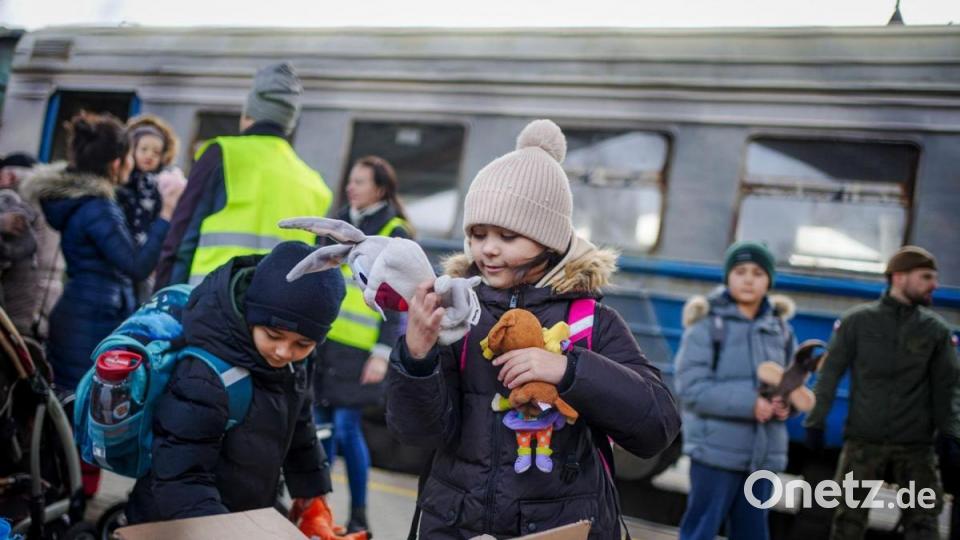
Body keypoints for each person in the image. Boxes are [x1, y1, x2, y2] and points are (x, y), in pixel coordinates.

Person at [386, 119, 681, 539]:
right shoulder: (458, 313)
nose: (488, 249)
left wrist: (569, 370)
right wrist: (416, 358)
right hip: (454, 524)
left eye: (508, 236)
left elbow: (657, 427)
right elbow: (416, 433)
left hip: (557, 528)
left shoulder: (591, 321)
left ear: (549, 241)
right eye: (478, 234)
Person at [125, 241, 345, 524]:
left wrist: (312, 491)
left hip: (241, 513)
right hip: (176, 523)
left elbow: (300, 426)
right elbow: (180, 475)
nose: (283, 352)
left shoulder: (296, 366)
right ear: (251, 317)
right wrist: (224, 530)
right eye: (273, 335)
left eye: (303, 344)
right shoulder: (204, 377)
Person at [804, 246, 960, 540]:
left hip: (916, 447)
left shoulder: (936, 332)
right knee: (848, 523)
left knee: (923, 524)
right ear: (899, 277)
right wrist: (816, 420)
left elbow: (948, 388)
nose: (935, 285)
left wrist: (951, 433)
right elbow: (830, 374)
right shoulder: (857, 322)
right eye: (926, 277)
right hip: (863, 442)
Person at [21, 112, 184, 391]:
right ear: (117, 163)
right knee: (82, 399)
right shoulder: (99, 208)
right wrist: (167, 212)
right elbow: (136, 265)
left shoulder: (84, 200)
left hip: (82, 310)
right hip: (92, 320)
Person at [154, 62, 332, 288]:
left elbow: (182, 240)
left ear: (249, 110)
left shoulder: (222, 154)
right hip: (272, 308)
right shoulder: (316, 186)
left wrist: (164, 299)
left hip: (210, 301)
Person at [314, 155, 412, 533]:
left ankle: (358, 512)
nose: (350, 187)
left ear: (380, 189)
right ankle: (317, 509)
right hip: (325, 343)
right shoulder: (336, 224)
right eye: (350, 180)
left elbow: (399, 298)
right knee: (320, 428)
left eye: (360, 181)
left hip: (362, 352)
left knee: (345, 429)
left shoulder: (394, 231)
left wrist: (383, 352)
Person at [674, 241, 797, 540]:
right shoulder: (707, 324)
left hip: (762, 458)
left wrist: (786, 405)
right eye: (740, 271)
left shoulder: (780, 330)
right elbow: (691, 387)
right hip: (714, 453)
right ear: (728, 276)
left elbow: (792, 382)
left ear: (769, 280)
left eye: (758, 273)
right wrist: (750, 403)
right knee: (700, 530)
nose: (748, 279)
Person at [118, 114, 186, 301]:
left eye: (156, 152)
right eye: (144, 149)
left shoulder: (163, 184)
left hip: (151, 251)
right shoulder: (123, 184)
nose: (149, 155)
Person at [0, 152, 64, 340]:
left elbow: (16, 250)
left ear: (9, 175)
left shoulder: (12, 201)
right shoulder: (51, 199)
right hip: (49, 300)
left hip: (19, 305)